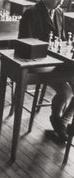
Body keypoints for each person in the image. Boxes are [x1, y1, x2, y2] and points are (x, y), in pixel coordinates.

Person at [18, 0, 74, 142]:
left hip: (58, 63)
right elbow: (25, 43)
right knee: (65, 91)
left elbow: (60, 39)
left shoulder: (60, 12)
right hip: (38, 63)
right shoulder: (31, 13)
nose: (61, 1)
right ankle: (57, 119)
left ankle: (63, 121)